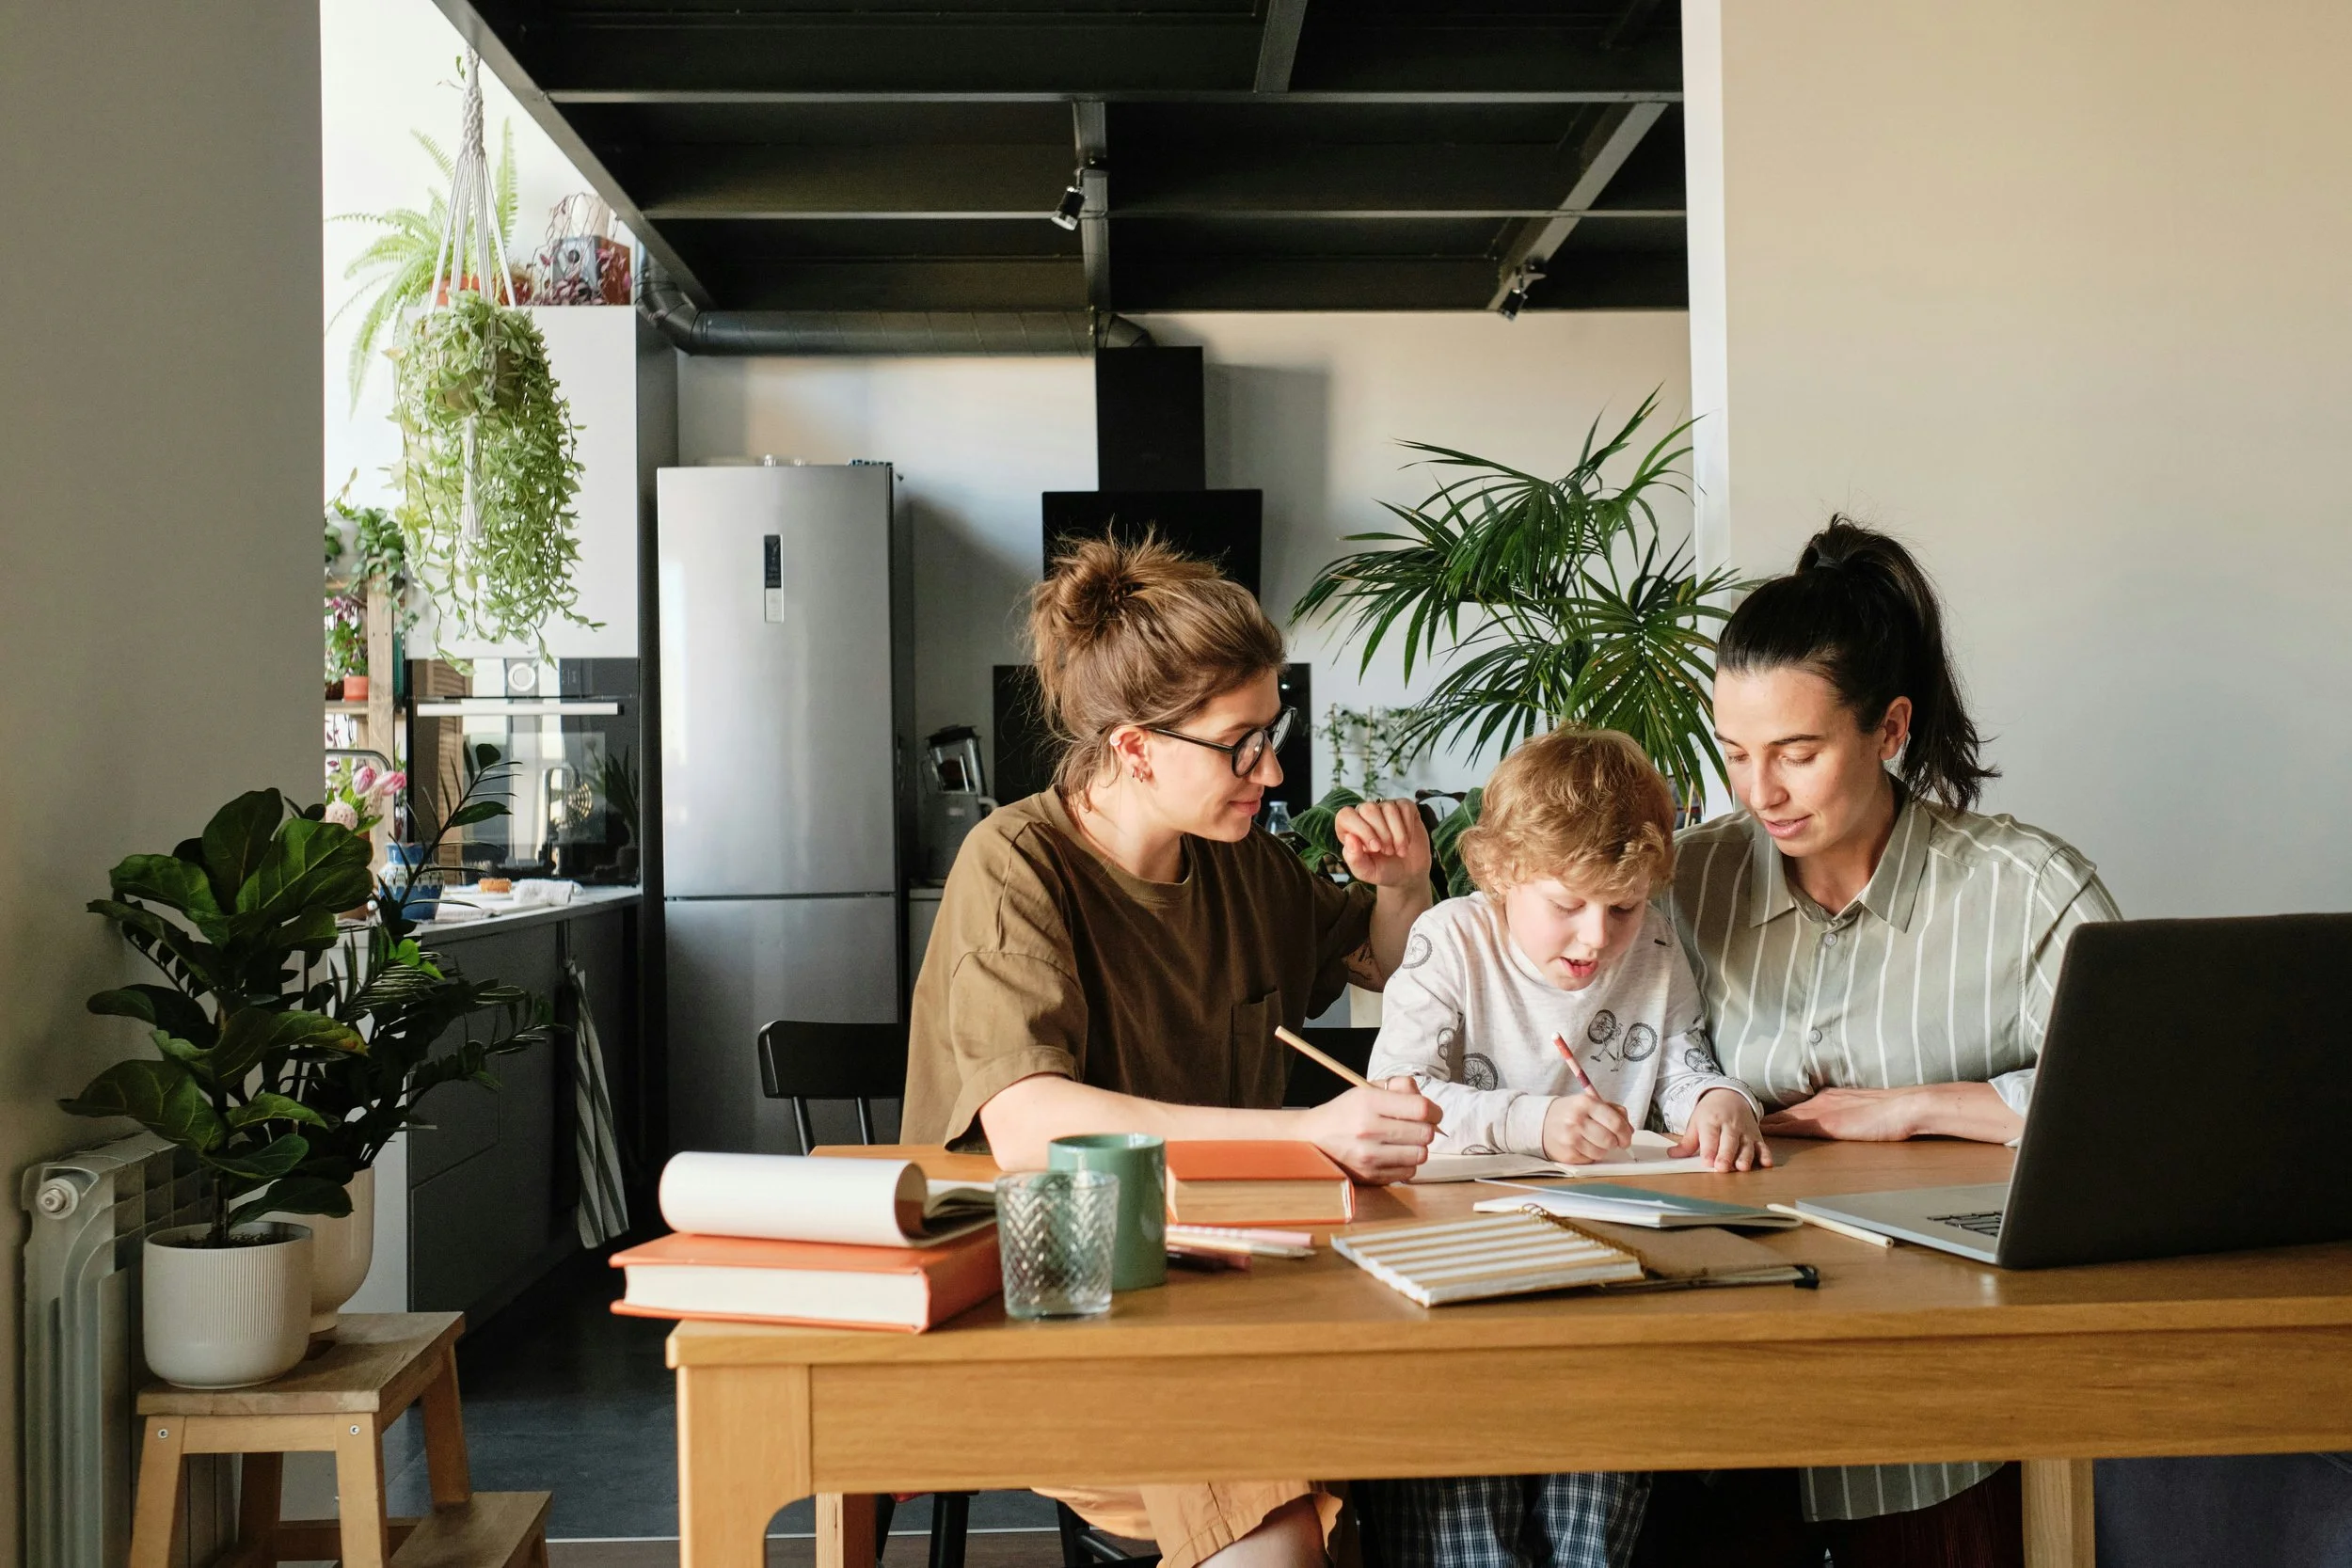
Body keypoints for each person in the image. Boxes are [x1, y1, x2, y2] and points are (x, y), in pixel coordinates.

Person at [900, 532, 1444, 1568]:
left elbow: (1380, 965)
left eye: (1269, 731)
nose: (1271, 769)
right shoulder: (1015, 861)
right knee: (1273, 1487)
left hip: (1234, 1284)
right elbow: (1027, 1126)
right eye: (1240, 742)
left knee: (1430, 1412)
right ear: (1137, 746)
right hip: (1060, 1305)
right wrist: (1307, 1129)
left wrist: (1403, 889)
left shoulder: (1239, 862)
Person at [1661, 516, 2122, 1568]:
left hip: (1940, 1425)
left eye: (1796, 751)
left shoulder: (2029, 891)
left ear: (1888, 727)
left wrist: (1922, 1102)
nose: (1757, 791)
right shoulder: (1682, 880)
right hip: (1709, 1414)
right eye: (1734, 752)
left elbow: (2139, 1110)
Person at [1357, 727, 1767, 1568]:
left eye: (1621, 906)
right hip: (1450, 1255)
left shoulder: (1652, 944)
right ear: (1500, 870)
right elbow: (1397, 1092)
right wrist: (1532, 1122)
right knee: (1466, 1480)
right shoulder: (1449, 938)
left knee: (1601, 1461)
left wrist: (1721, 1099)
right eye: (1567, 904)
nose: (1594, 938)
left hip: (1600, 1256)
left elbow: (1689, 1063)